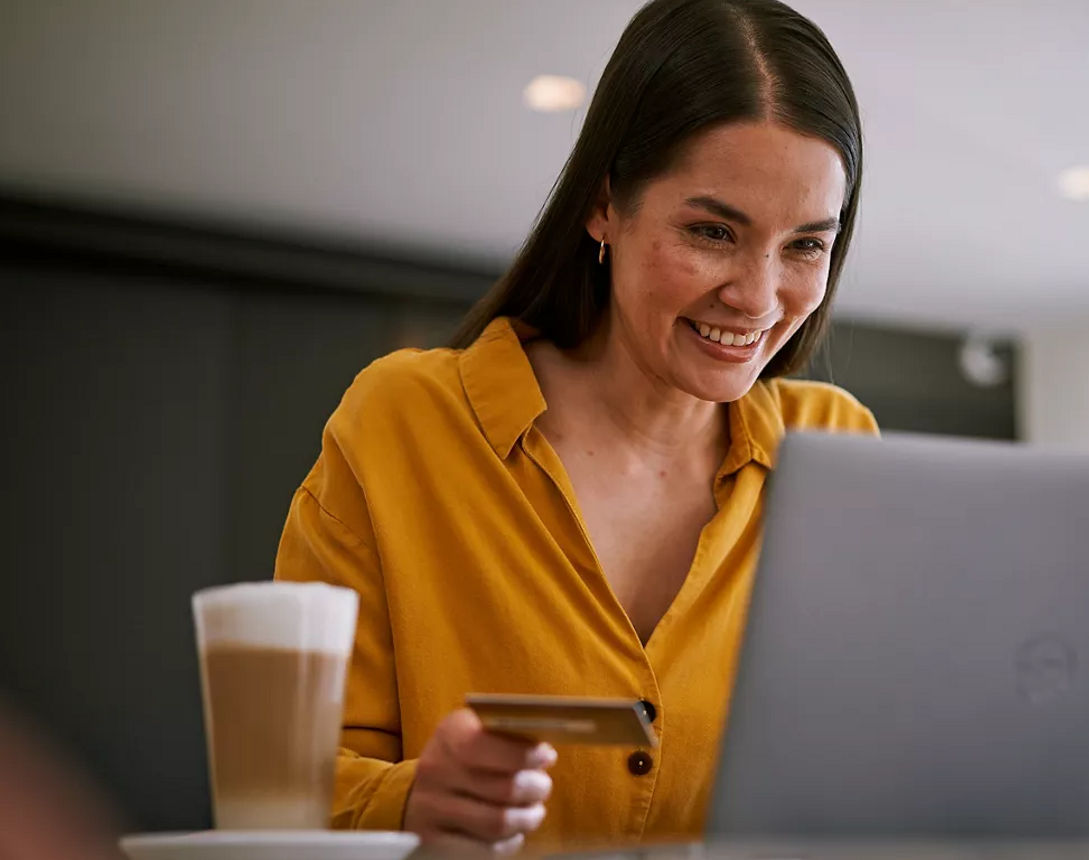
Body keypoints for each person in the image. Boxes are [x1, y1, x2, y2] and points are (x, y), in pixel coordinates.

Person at [274, 0, 876, 852]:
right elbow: (281, 788)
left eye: (807, 245)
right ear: (604, 206)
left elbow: (875, 767)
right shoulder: (404, 422)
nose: (758, 295)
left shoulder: (838, 456)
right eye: (712, 232)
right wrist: (407, 804)